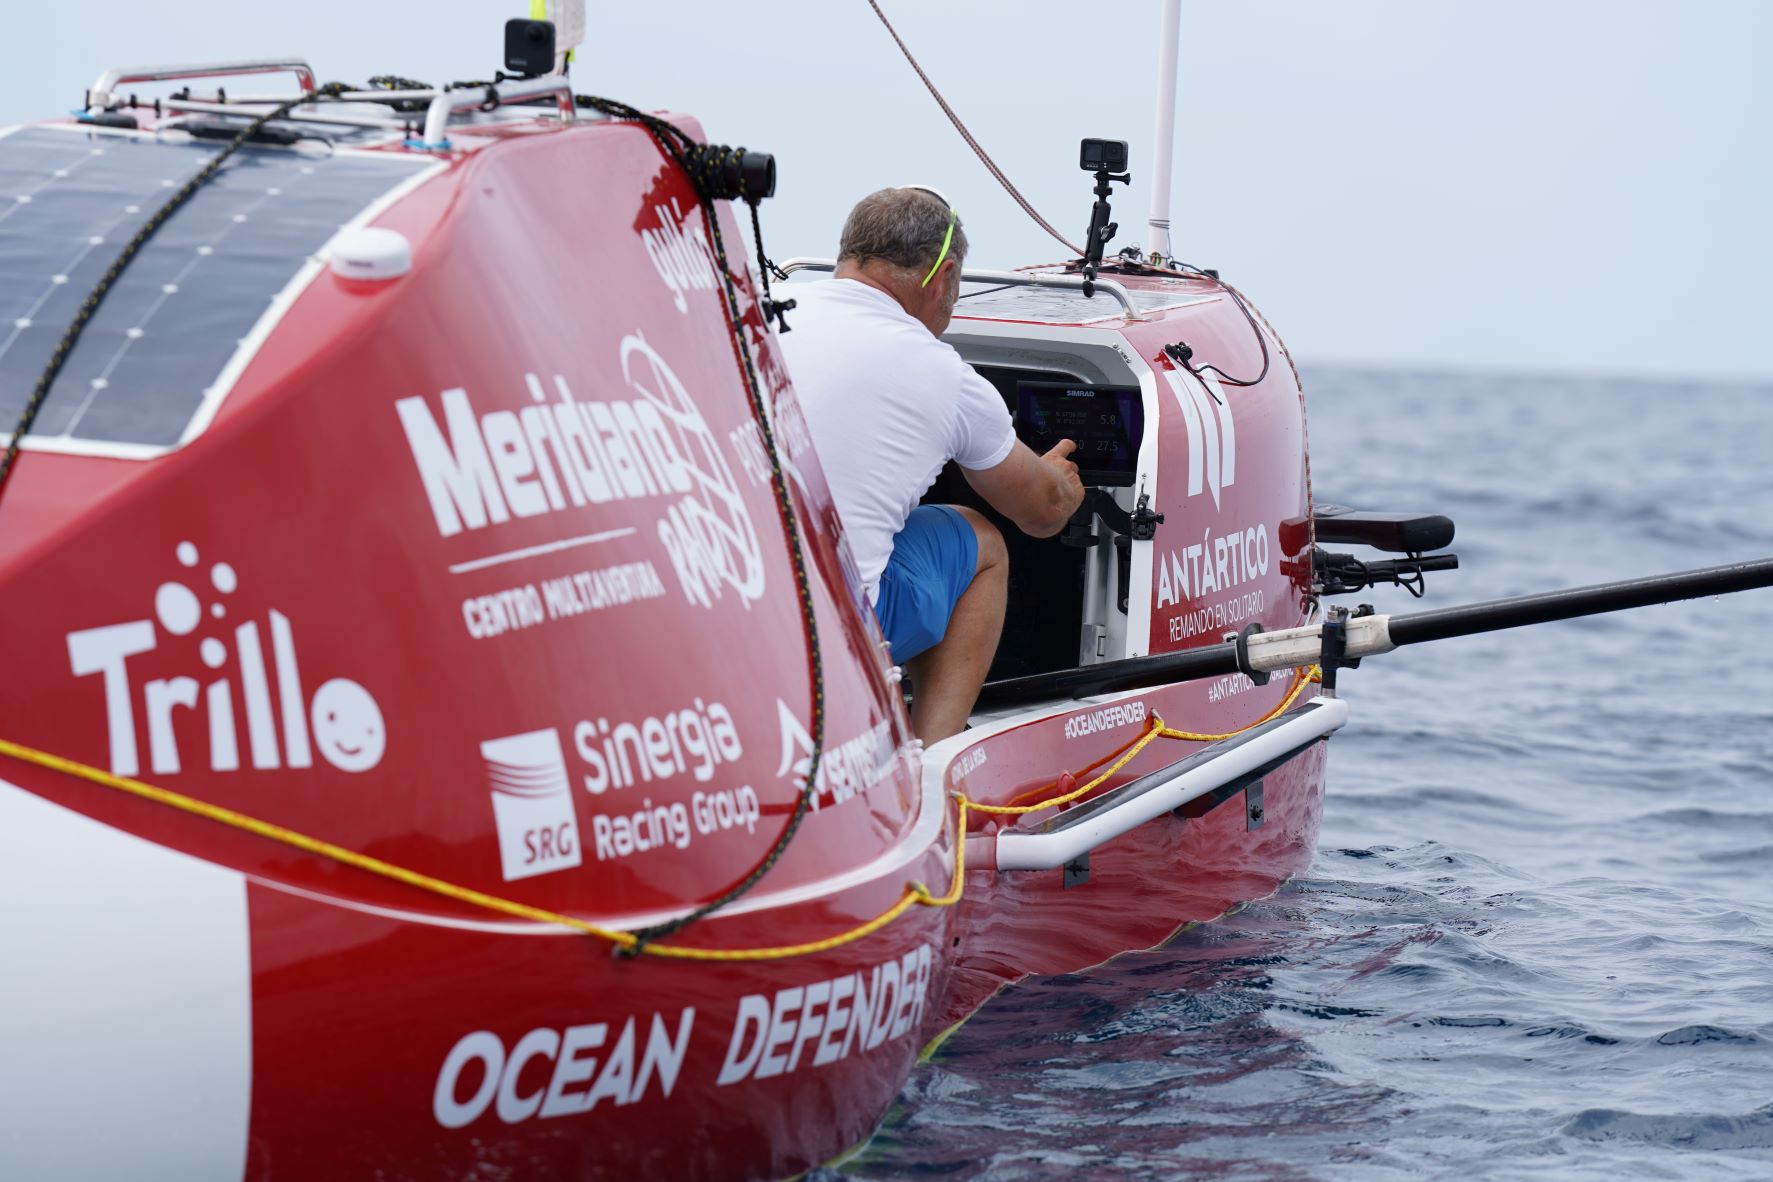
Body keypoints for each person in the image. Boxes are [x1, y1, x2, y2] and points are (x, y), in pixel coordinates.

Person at [776, 186, 1085, 742]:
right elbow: (1043, 514)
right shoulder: (943, 375)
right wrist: (1059, 481)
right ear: (941, 277)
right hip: (836, 629)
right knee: (982, 539)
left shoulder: (758, 311)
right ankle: (933, 754)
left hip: (725, 602)